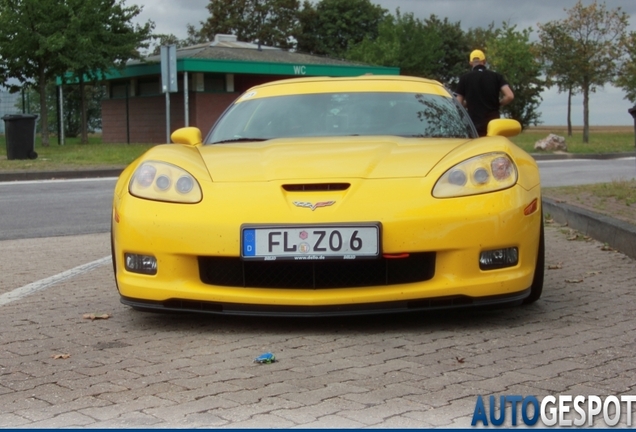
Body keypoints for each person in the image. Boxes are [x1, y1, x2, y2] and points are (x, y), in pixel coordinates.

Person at [455, 49, 514, 137]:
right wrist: (498, 103)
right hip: (493, 124)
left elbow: (458, 103)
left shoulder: (465, 78)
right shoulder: (496, 77)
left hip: (474, 123)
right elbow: (509, 96)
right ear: (484, 62)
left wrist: (468, 104)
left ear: (471, 63)